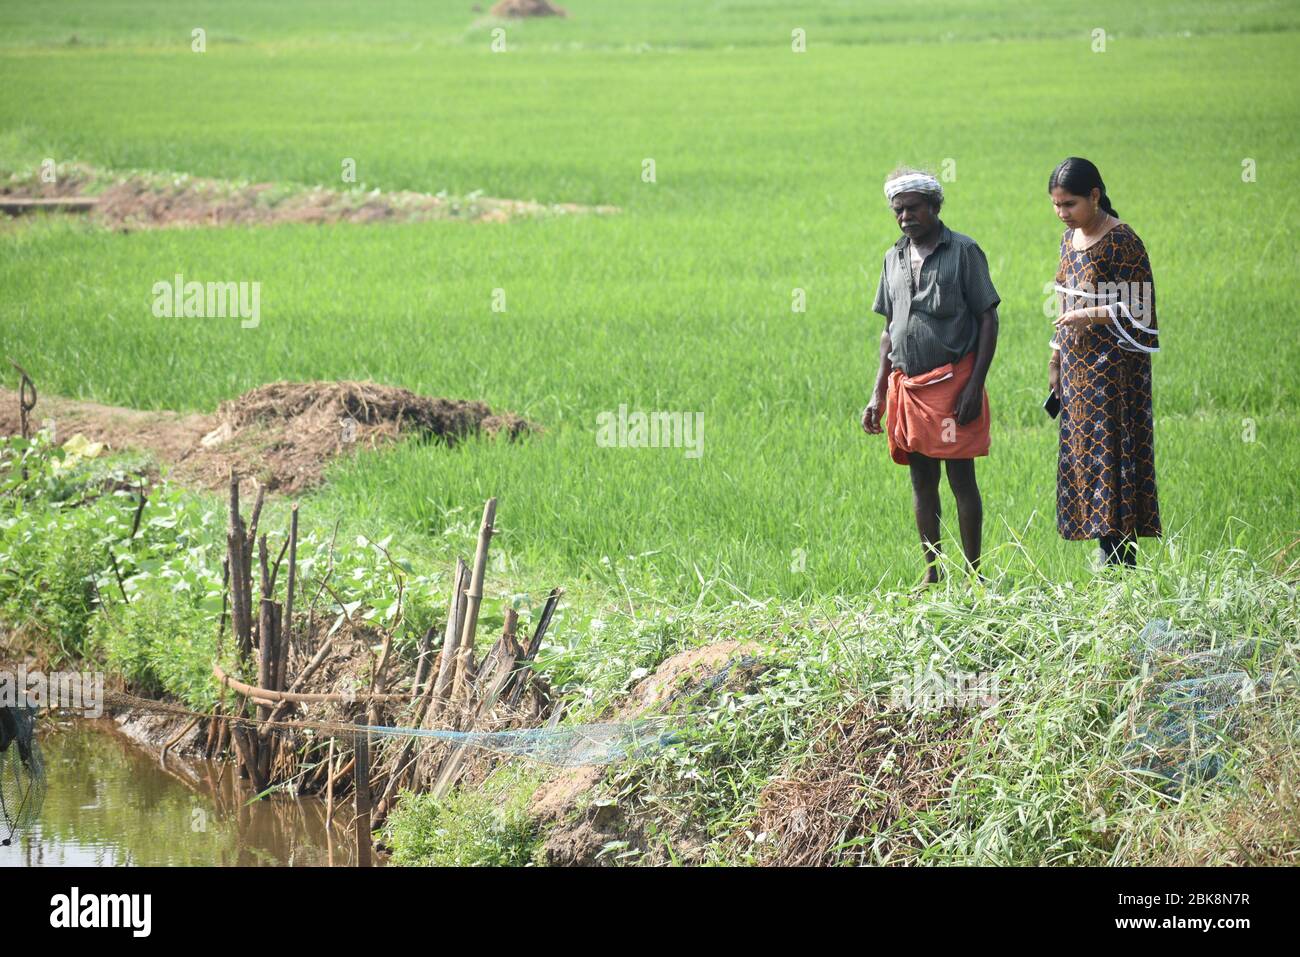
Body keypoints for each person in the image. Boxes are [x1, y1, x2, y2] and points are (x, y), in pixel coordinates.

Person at [862, 168, 1000, 584]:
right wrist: (877, 394)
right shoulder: (893, 258)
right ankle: (932, 572)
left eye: (913, 208)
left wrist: (975, 383)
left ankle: (975, 574)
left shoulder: (963, 252)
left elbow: (988, 317)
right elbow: (889, 331)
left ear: (935, 207)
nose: (905, 217)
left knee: (961, 479)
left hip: (954, 384)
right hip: (908, 386)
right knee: (922, 481)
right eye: (898, 210)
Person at [1047, 157, 1161, 567]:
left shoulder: (1122, 241)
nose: (1062, 214)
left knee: (1114, 458)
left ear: (1095, 196)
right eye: (1057, 205)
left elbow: (1141, 305)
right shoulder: (1068, 240)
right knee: (1086, 460)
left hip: (1115, 374)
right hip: (1078, 374)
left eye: (1070, 204)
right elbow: (1062, 297)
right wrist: (1056, 355)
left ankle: (1121, 564)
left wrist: (1088, 314)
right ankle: (1104, 558)